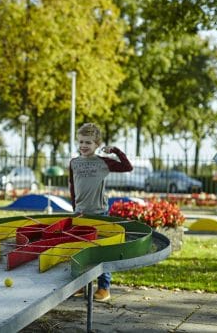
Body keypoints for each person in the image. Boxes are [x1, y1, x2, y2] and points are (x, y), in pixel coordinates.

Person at [68, 123, 132, 302]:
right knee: (80, 250)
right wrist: (75, 208)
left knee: (102, 252)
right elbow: (73, 188)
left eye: (88, 142)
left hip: (99, 214)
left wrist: (116, 151)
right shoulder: (74, 163)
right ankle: (80, 285)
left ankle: (104, 287)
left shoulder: (103, 162)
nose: (83, 145)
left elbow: (127, 167)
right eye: (81, 141)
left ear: (97, 144)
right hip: (80, 214)